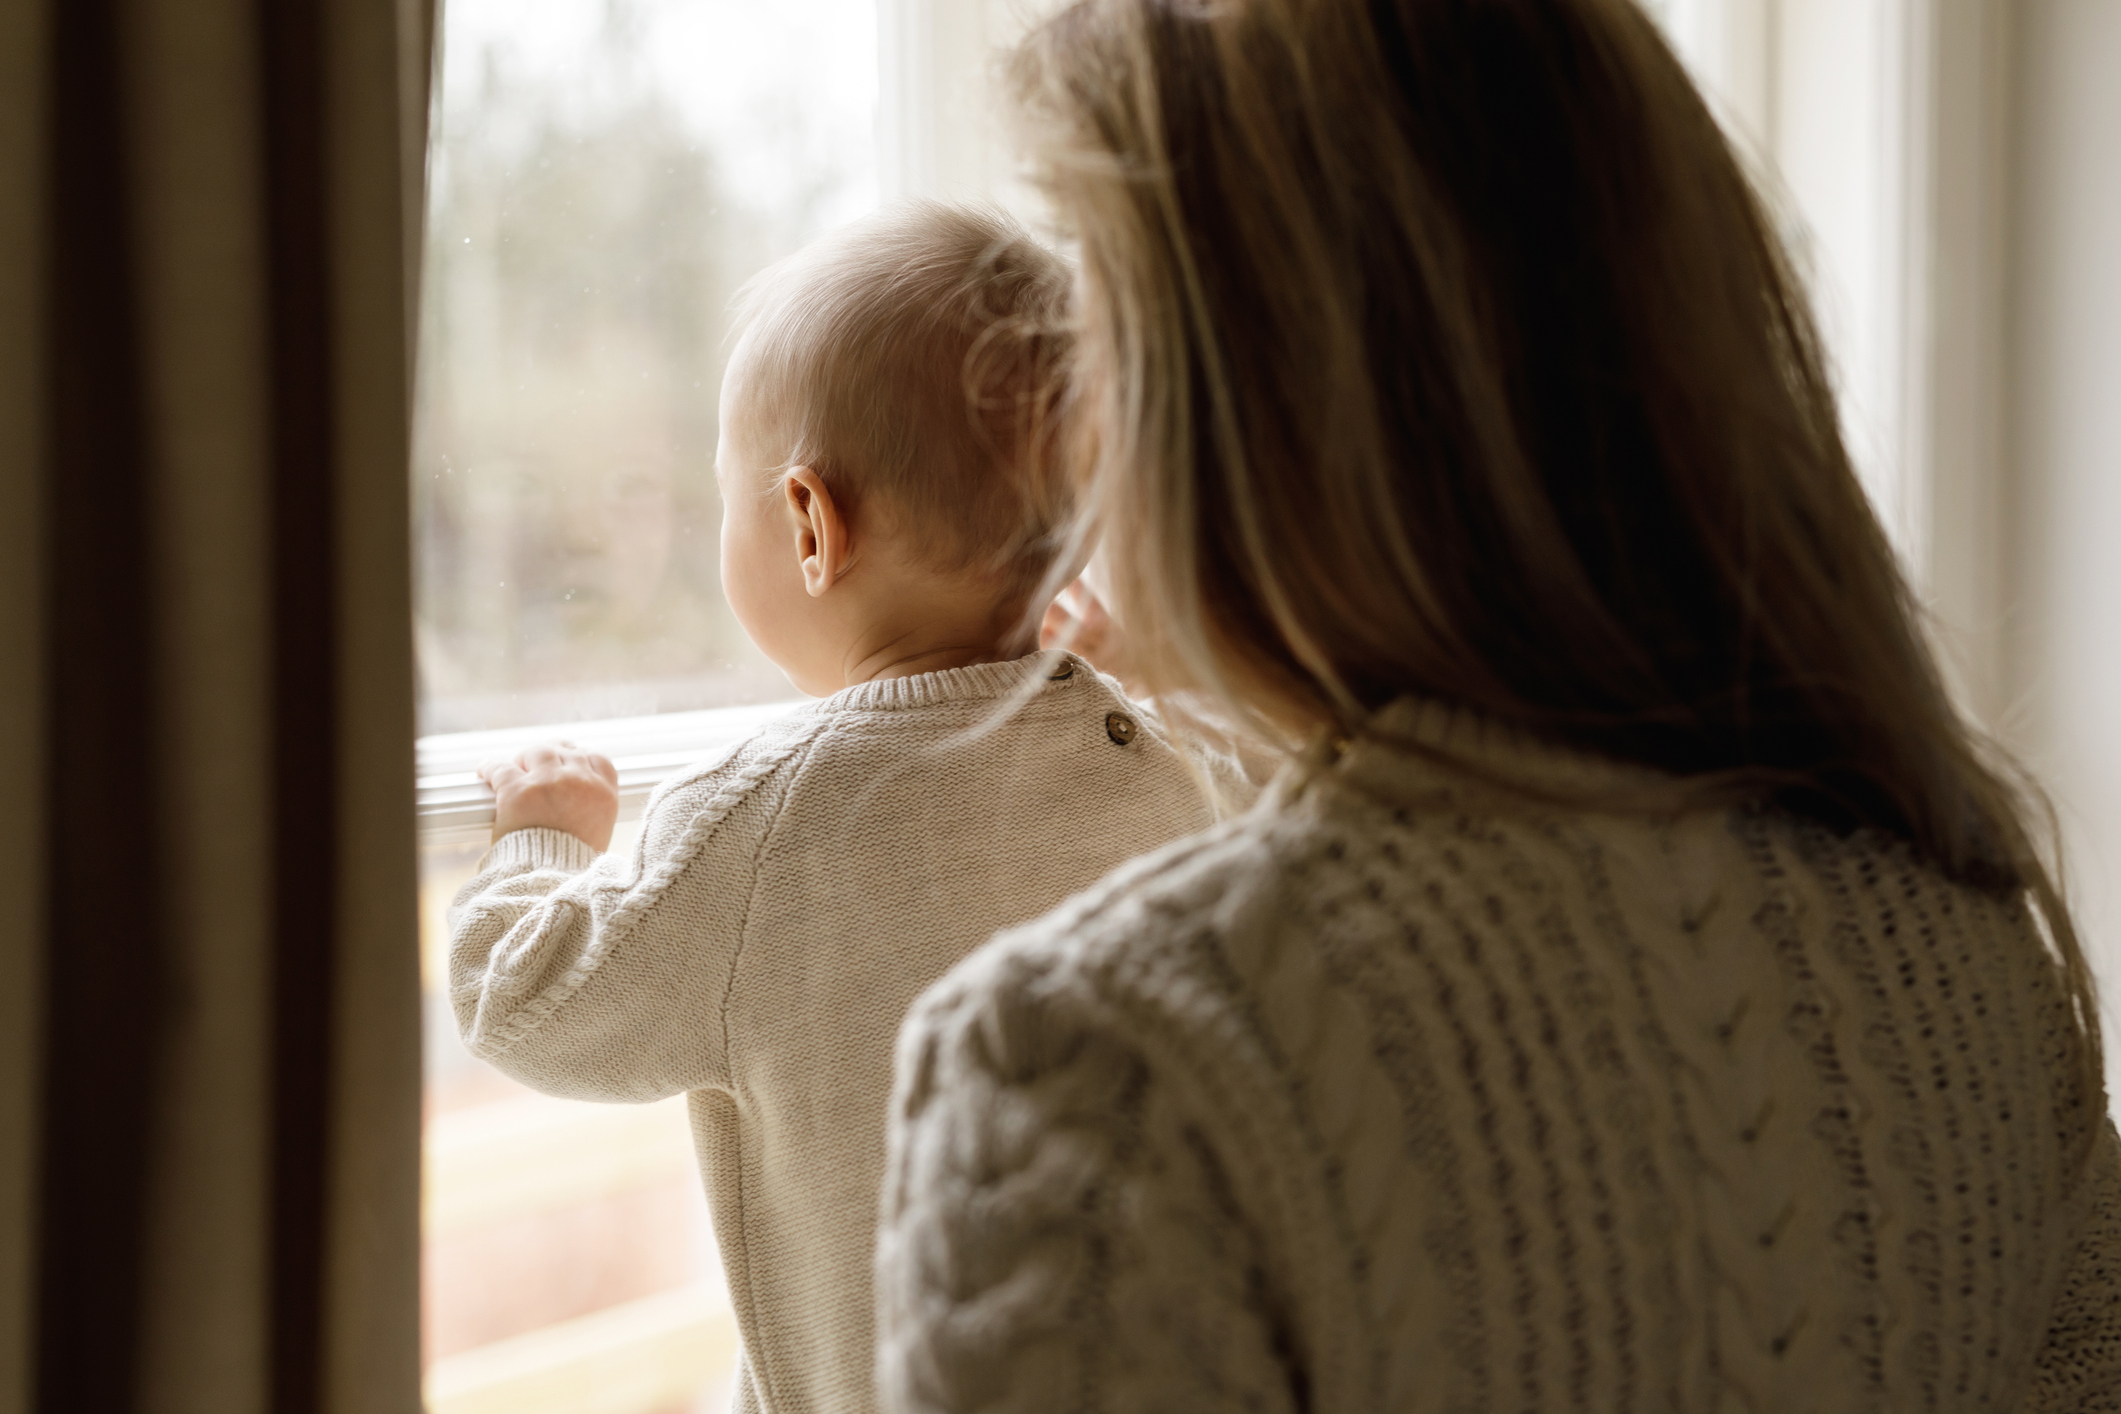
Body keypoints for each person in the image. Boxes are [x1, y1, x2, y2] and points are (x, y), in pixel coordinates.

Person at [872, 2, 2121, 1410]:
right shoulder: (1964, 938)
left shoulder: (1092, 1074)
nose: (1067, 430)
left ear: (1271, 404)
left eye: (1084, 327)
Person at [449, 202, 1240, 1414]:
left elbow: (527, 998)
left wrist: (541, 838)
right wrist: (1134, 670)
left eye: (731, 503)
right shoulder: (1156, 759)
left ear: (811, 524)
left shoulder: (762, 824)